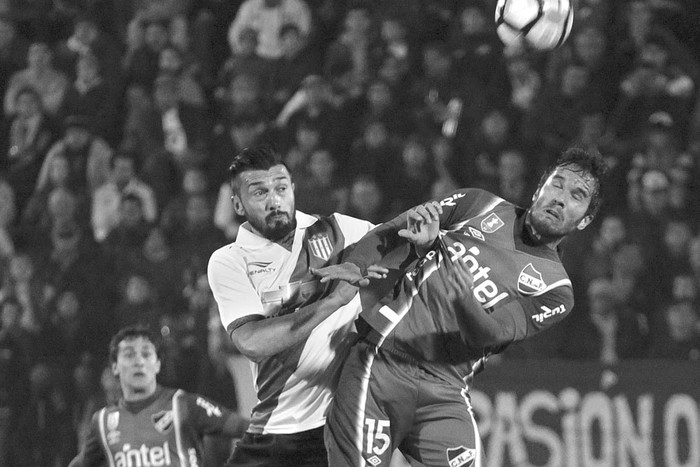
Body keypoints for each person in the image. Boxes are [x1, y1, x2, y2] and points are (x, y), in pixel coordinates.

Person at [313, 147, 608, 466]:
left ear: (585, 220)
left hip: (446, 392)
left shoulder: (557, 291)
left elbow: (491, 334)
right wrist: (357, 264)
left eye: (577, 195)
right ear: (539, 188)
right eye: (557, 184)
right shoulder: (479, 204)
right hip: (381, 364)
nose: (561, 197)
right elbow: (394, 230)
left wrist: (462, 298)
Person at [207, 145, 378, 466]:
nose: (274, 200)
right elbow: (253, 343)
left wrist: (420, 239)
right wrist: (333, 300)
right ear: (238, 205)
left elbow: (397, 241)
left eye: (281, 188)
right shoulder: (230, 260)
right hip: (276, 428)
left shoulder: (339, 231)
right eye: (259, 193)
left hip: (339, 425)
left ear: (292, 189)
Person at [68, 324, 248, 466]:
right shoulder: (103, 421)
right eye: (129, 355)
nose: (139, 361)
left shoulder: (183, 405)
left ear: (158, 364)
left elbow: (248, 429)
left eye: (146, 354)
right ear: (114, 367)